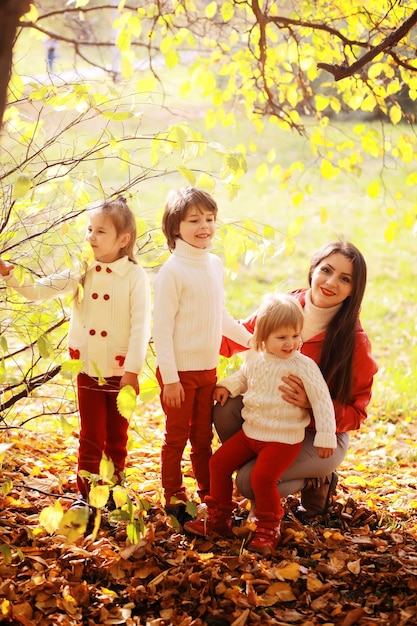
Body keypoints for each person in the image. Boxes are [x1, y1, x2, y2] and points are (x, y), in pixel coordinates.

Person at [0, 197, 151, 513]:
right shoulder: (83, 271)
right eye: (89, 229)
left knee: (116, 438)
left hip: (120, 370)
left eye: (100, 232)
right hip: (88, 367)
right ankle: (88, 497)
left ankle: (113, 494)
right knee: (91, 436)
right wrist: (10, 275)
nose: (91, 237)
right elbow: (40, 290)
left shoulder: (135, 277)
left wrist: (133, 370)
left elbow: (141, 326)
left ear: (123, 240)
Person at [212, 241, 378, 520]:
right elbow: (241, 337)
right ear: (313, 269)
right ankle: (263, 470)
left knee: (248, 482)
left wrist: (310, 405)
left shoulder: (355, 342)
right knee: (224, 407)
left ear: (353, 290)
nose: (331, 282)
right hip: (271, 422)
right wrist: (188, 331)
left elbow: (357, 414)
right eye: (326, 270)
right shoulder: (286, 307)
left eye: (345, 279)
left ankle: (317, 480)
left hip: (321, 434)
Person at [184, 293, 337, 553]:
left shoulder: (304, 366)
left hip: (283, 439)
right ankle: (219, 517)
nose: (291, 343)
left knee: (261, 478)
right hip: (252, 432)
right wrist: (227, 386)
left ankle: (268, 526)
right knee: (218, 464)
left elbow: (322, 401)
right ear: (264, 338)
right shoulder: (256, 357)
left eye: (295, 335)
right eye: (282, 337)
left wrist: (325, 436)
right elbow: (244, 377)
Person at [152, 187, 252, 526]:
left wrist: (252, 342)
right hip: (177, 374)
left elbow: (219, 314)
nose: (204, 226)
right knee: (176, 436)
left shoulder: (214, 264)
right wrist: (170, 379)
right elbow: (162, 330)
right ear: (175, 227)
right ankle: (173, 493)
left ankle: (210, 493)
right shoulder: (172, 271)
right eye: (194, 220)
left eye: (209, 219)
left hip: (207, 370)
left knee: (202, 438)